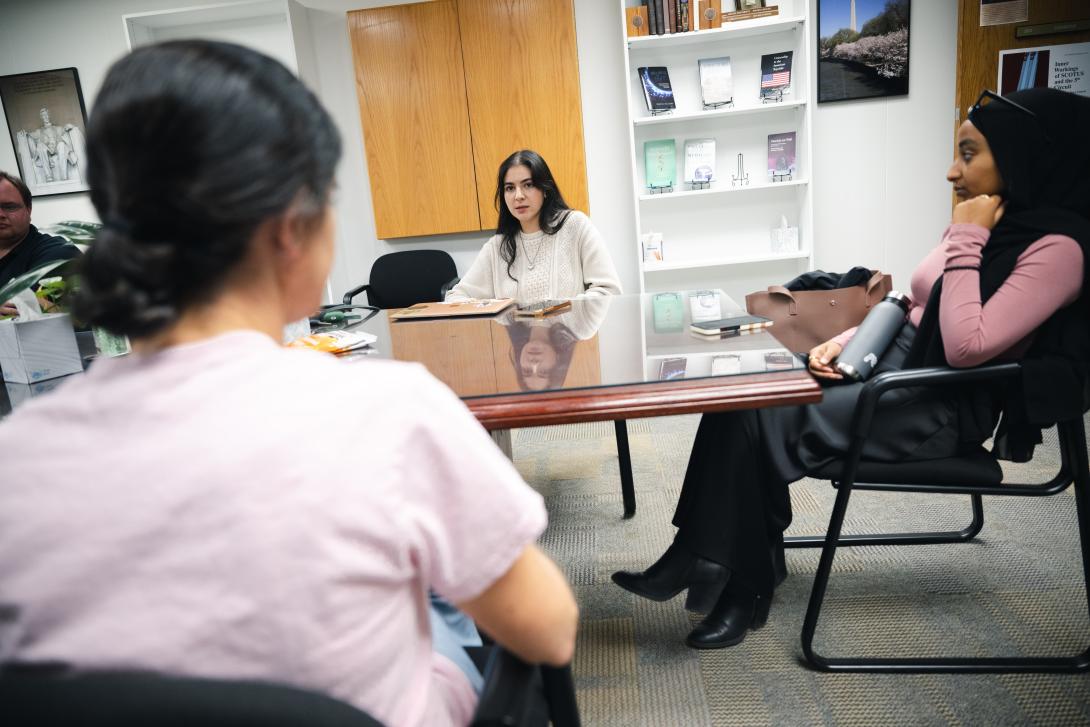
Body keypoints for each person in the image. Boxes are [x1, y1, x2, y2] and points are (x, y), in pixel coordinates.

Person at [0, 40, 577, 727]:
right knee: (432, 585)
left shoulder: (16, 459)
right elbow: (548, 629)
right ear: (293, 227)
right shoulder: (391, 411)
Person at [612, 87, 1090, 650]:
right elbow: (914, 305)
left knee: (755, 416)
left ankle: (728, 576)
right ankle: (724, 569)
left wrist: (968, 235)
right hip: (887, 366)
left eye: (968, 153)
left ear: (1022, 156)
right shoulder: (992, 219)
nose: (950, 171)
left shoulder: (1056, 250)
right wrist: (846, 339)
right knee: (742, 391)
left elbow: (967, 346)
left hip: (932, 404)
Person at [445, 149, 622, 304]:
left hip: (570, 339)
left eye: (528, 185)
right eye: (509, 188)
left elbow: (609, 291)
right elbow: (456, 297)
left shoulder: (575, 226)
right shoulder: (497, 246)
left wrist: (566, 313)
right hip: (515, 343)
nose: (518, 196)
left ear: (545, 189)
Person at [0, 170, 81, 315]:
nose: (0, 214)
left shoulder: (59, 254)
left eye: (9, 207)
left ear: (28, 210)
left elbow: (27, 312)